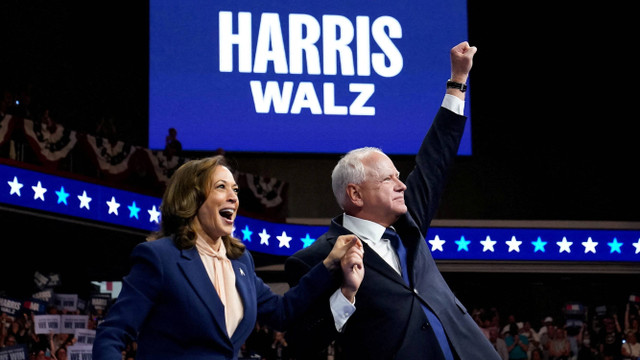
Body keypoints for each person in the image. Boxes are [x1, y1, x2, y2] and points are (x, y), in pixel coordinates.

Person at [284, 41, 500, 359]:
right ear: (355, 194)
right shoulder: (315, 259)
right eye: (389, 179)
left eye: (399, 176)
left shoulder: (407, 225)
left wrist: (457, 81)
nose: (402, 186)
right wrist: (345, 295)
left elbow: (434, 159)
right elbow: (304, 341)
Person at [92, 155, 365, 360]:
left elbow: (281, 313)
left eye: (235, 190)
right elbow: (111, 336)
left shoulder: (240, 262)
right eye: (221, 187)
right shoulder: (159, 258)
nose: (233, 197)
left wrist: (328, 264)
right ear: (192, 198)